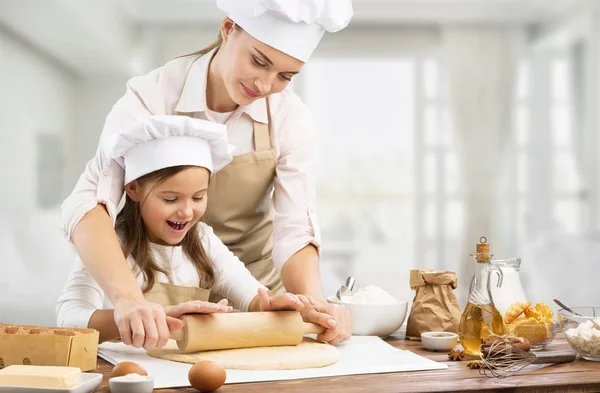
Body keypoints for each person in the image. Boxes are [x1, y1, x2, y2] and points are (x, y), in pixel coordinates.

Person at [60, 0, 353, 348]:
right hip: (158, 309)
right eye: (259, 61)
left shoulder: (289, 117)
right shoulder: (153, 95)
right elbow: (92, 201)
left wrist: (314, 304)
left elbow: (294, 228)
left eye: (285, 76)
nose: (264, 86)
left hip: (257, 299)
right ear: (228, 28)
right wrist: (128, 300)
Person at [57, 116, 327, 346]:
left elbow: (250, 295)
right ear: (133, 189)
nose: (187, 212)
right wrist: (146, 316)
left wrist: (270, 304)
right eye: (171, 199)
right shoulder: (107, 245)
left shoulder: (204, 241)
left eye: (198, 198)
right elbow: (68, 318)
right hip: (125, 370)